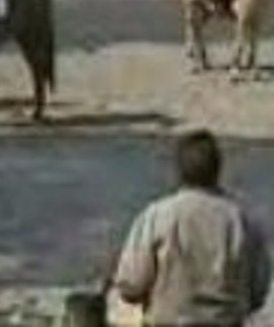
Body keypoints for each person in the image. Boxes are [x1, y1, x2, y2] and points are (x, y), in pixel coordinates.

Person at [113, 130, 270, 327]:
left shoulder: (157, 216)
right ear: (218, 170)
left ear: (179, 170)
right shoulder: (242, 222)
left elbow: (130, 286)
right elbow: (258, 292)